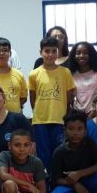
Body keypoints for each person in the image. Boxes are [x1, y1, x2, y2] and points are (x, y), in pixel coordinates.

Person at [29, 37, 76, 171]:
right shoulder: (34, 74)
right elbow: (32, 97)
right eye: (47, 51)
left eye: (53, 51)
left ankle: (57, 179)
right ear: (41, 52)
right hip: (40, 120)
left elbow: (69, 96)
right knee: (43, 153)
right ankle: (45, 180)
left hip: (58, 119)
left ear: (58, 52)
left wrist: (64, 112)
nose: (50, 54)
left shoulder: (65, 72)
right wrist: (39, 111)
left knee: (58, 151)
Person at [0, 38, 28, 113]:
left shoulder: (19, 75)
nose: (1, 53)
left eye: (5, 50)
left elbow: (23, 98)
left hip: (14, 117)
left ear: (10, 54)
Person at [67, 42, 97, 115]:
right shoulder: (72, 73)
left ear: (91, 55)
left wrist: (93, 112)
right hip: (77, 114)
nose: (81, 56)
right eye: (78, 53)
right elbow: (70, 97)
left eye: (85, 53)